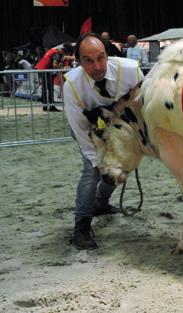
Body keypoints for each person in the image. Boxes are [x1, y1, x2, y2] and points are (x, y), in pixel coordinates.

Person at [63, 32, 144, 250]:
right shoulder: (72, 86)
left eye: (101, 57)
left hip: (121, 128)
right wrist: (98, 161)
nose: (97, 66)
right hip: (89, 132)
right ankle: (81, 227)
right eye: (88, 61)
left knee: (119, 169)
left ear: (108, 54)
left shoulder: (130, 71)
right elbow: (80, 130)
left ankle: (101, 203)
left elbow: (141, 106)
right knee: (92, 172)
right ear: (78, 61)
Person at [34, 43, 73, 111]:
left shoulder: (54, 50)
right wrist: (63, 68)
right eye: (66, 53)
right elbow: (54, 65)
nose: (66, 55)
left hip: (42, 69)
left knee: (46, 89)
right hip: (45, 71)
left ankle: (46, 106)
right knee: (49, 89)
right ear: (64, 51)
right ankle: (51, 106)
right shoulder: (56, 54)